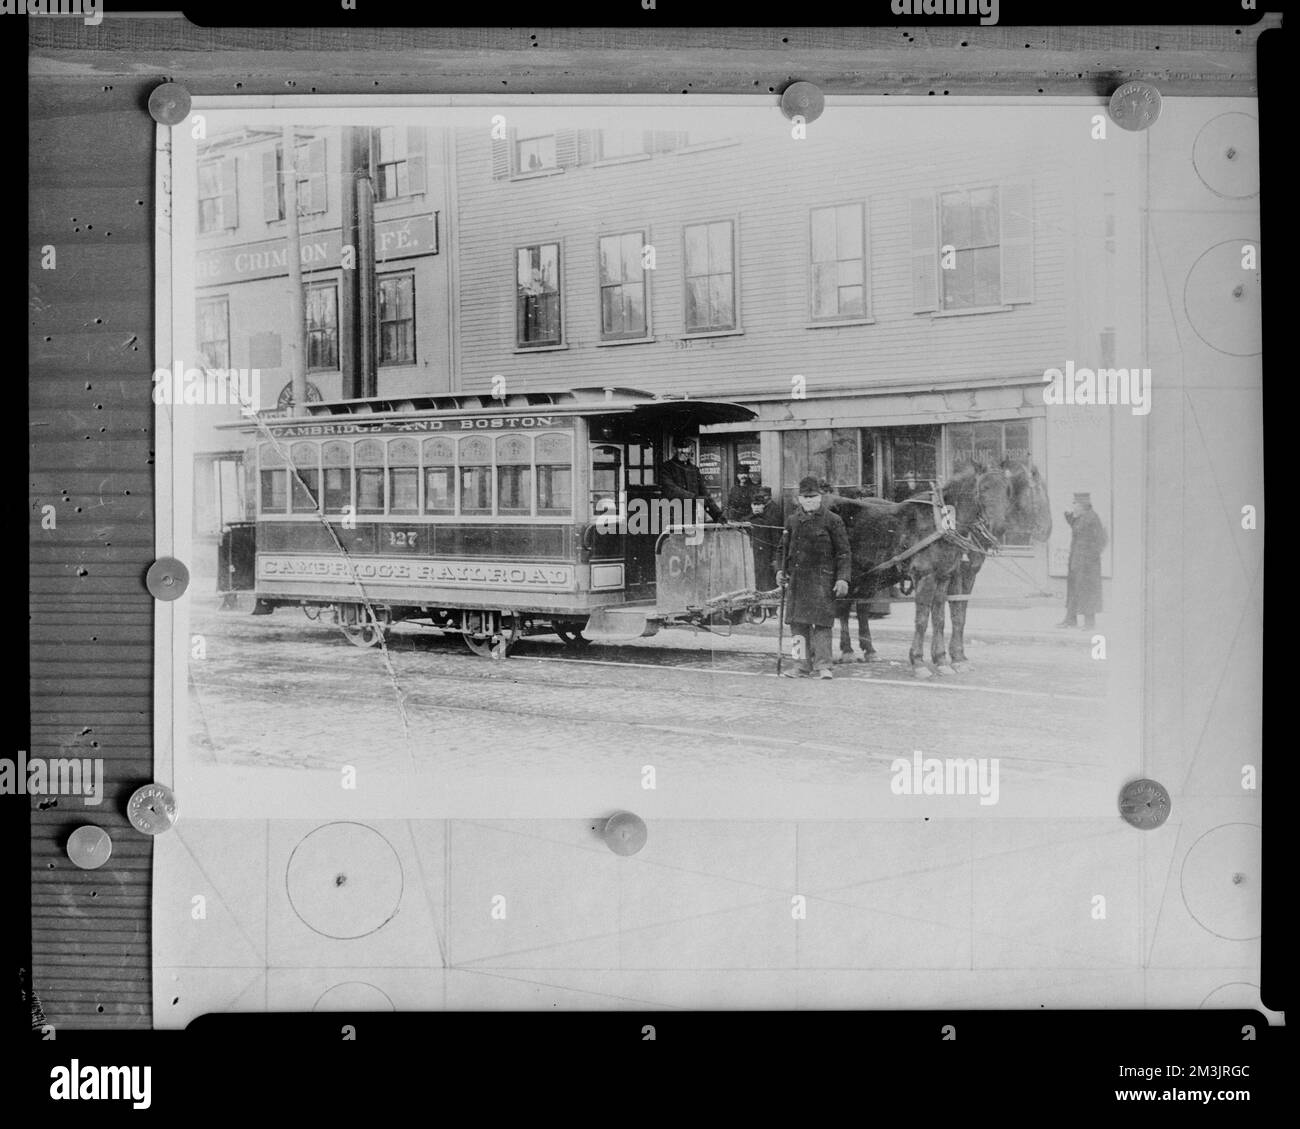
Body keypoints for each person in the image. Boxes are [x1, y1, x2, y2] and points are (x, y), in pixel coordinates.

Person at [778, 476, 851, 679]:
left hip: (822, 582)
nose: (809, 501)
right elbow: (782, 550)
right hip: (798, 582)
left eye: (813, 497)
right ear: (799, 499)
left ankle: (823, 666)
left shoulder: (833, 521)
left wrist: (842, 578)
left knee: (822, 625)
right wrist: (779, 570)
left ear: (820, 498)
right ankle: (800, 666)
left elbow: (844, 553)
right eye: (805, 497)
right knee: (797, 627)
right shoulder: (792, 521)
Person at [1058, 491, 1107, 629]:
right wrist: (1068, 515)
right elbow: (1075, 526)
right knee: (1073, 590)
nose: (1073, 506)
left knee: (1088, 592)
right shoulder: (1081, 517)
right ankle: (1070, 620)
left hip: (1087, 564)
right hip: (1076, 561)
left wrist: (1090, 558)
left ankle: (1090, 623)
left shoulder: (1092, 518)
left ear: (1082, 505)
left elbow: (1101, 540)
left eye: (1075, 504)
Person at [659, 436, 724, 523]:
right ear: (674, 449)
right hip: (671, 516)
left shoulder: (694, 470)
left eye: (687, 449)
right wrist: (694, 497)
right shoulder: (666, 467)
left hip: (690, 517)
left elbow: (704, 493)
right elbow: (670, 489)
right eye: (681, 448)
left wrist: (717, 514)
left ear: (690, 450)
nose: (685, 451)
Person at [747, 486, 782, 592]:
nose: (757, 508)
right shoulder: (745, 522)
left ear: (764, 506)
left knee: (766, 587)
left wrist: (775, 559)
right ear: (751, 506)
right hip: (751, 558)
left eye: (759, 505)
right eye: (754, 505)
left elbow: (776, 541)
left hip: (765, 559)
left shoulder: (769, 522)